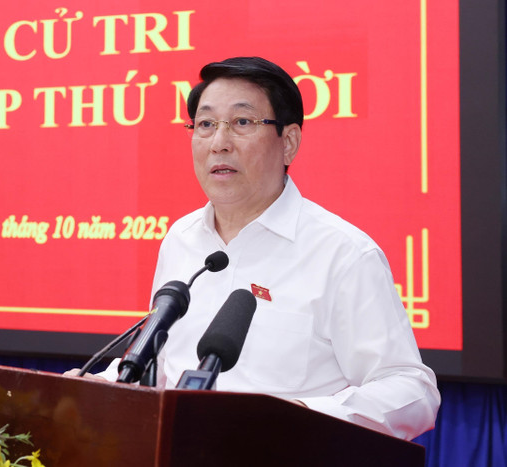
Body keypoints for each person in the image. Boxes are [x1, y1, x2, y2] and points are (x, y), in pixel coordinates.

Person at [67, 56, 440, 441]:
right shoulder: (181, 238)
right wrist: (91, 387)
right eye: (206, 124)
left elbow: (412, 390)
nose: (218, 143)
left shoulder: (342, 253)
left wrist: (296, 417)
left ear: (289, 141)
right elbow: (161, 367)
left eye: (242, 123)